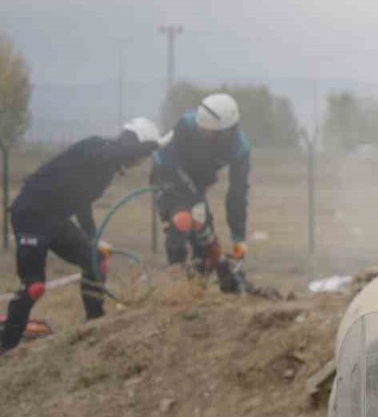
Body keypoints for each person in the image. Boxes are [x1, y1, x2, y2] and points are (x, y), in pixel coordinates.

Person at [3, 118, 171, 351]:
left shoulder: (107, 170)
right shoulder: (97, 147)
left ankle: (95, 326)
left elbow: (81, 201)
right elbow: (108, 155)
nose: (141, 161)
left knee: (95, 261)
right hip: (31, 214)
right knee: (34, 286)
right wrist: (150, 146)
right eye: (143, 154)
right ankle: (7, 345)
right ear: (134, 144)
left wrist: (92, 237)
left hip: (55, 218)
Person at [150, 92, 252, 293]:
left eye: (210, 133)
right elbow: (166, 160)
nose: (204, 134)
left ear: (227, 131)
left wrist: (238, 236)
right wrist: (193, 196)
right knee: (183, 219)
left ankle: (200, 288)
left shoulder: (240, 148)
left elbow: (237, 195)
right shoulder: (187, 125)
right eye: (202, 131)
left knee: (204, 239)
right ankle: (177, 281)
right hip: (168, 177)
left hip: (196, 186)